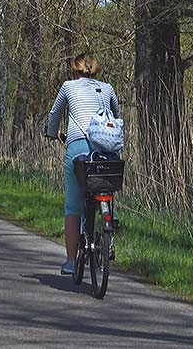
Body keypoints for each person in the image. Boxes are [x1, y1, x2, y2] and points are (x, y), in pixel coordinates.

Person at [47, 53, 120, 275]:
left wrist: (53, 133)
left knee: (73, 206)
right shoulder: (107, 89)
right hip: (106, 149)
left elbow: (54, 114)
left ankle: (70, 262)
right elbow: (116, 117)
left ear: (74, 71)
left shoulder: (68, 86)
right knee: (106, 183)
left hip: (78, 148)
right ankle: (110, 219)